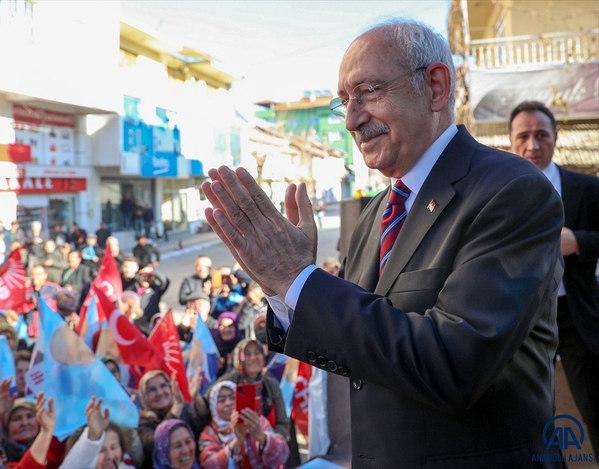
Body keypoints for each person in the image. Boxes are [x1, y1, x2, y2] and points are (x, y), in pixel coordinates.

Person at [202, 19, 564, 467]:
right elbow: (359, 350)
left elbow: (452, 364)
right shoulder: (376, 212)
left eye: (368, 92)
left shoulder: (511, 192)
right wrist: (283, 292)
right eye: (344, 102)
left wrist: (300, 279)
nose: (353, 119)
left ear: (434, 86)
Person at [508, 100, 599, 452]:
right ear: (511, 141)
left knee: (593, 409)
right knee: (527, 414)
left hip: (576, 316)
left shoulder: (586, 188)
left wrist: (580, 241)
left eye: (542, 135)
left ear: (556, 137)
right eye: (524, 136)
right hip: (520, 319)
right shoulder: (499, 193)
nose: (533, 145)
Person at [198, 381, 289, 469]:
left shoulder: (256, 421)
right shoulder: (209, 434)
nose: (228, 403)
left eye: (233, 398)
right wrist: (237, 440)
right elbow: (208, 465)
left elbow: (282, 455)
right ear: (213, 406)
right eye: (222, 400)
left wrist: (260, 436)